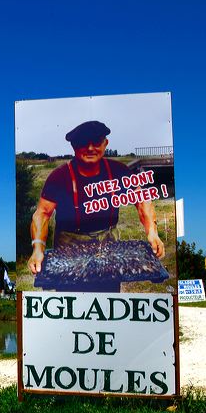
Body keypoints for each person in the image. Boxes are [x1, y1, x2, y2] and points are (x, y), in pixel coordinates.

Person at [28, 120, 165, 291]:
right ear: (74, 146)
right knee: (71, 304)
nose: (91, 148)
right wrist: (38, 247)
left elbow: (142, 200)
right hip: (69, 250)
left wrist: (152, 231)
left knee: (107, 300)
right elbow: (42, 213)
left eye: (97, 142)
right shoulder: (59, 177)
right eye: (84, 143)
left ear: (105, 144)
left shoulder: (119, 171)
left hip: (108, 246)